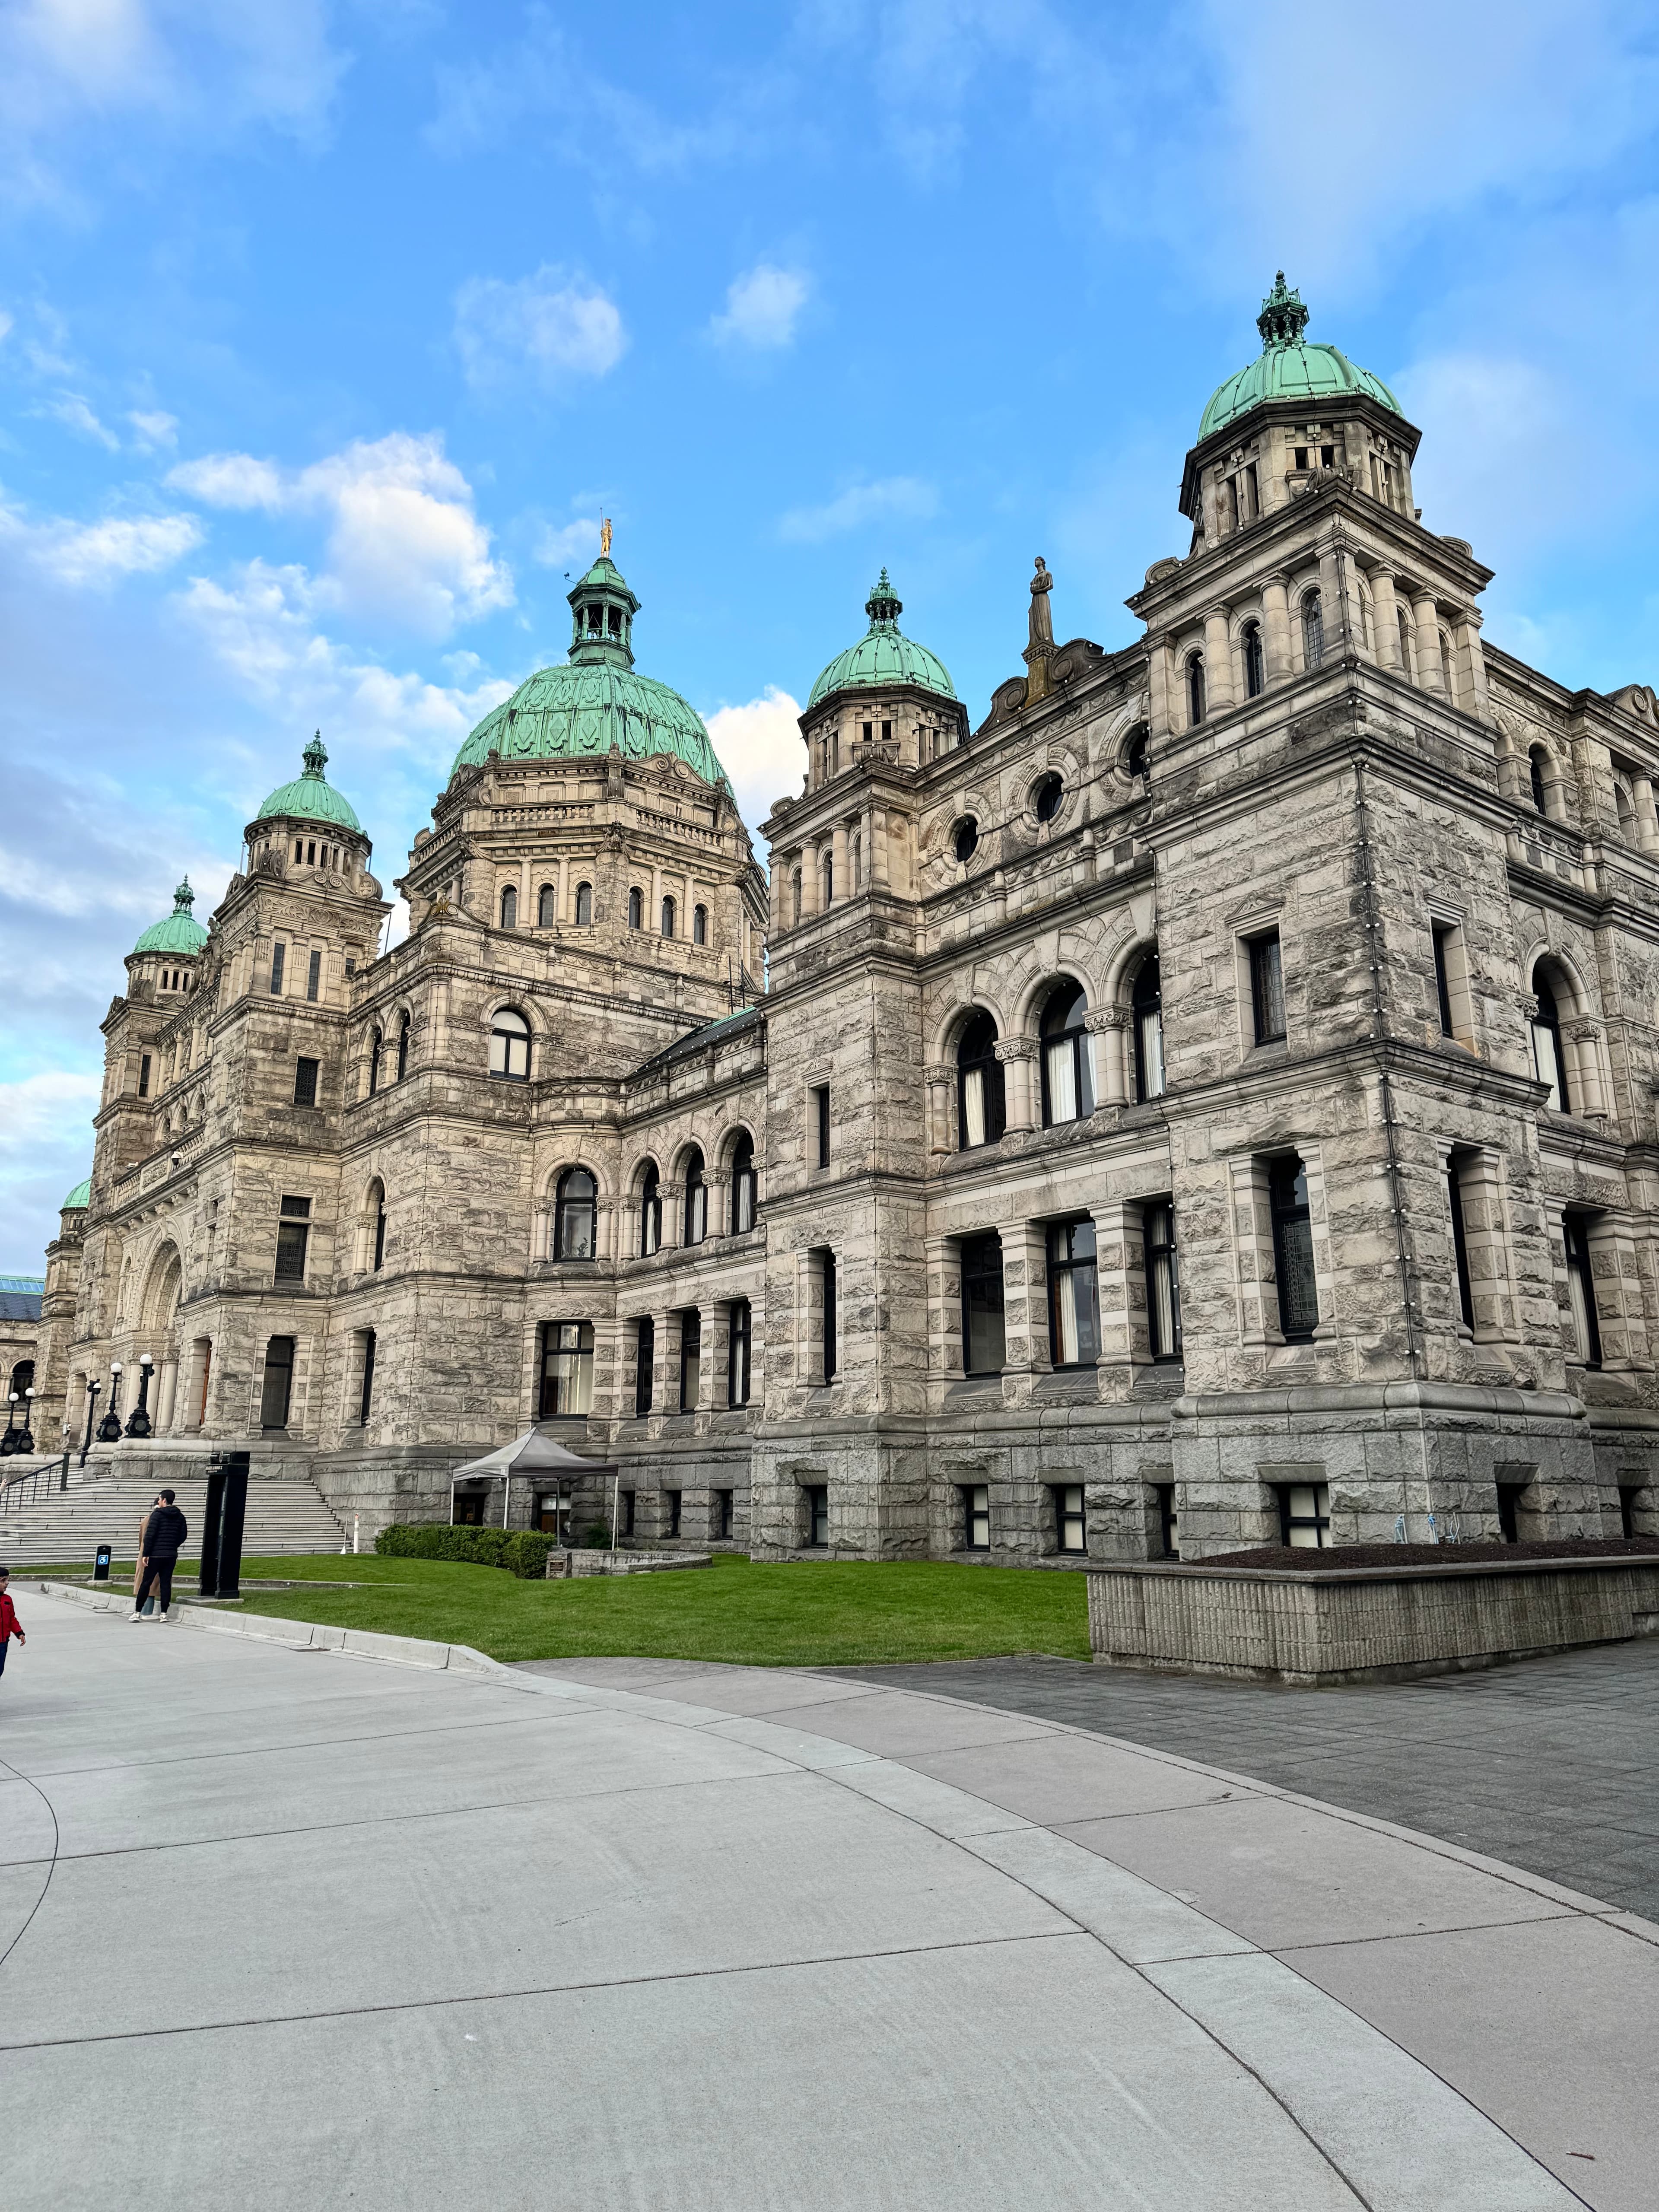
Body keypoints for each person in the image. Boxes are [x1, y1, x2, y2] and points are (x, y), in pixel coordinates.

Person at [130, 1489, 188, 1622]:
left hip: (155, 1555)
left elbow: (150, 1536)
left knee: (146, 1583)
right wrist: (172, 1546)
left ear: (164, 1500)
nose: (159, 1501)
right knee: (166, 1584)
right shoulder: (180, 1516)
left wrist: (146, 1554)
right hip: (171, 1555)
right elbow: (183, 1535)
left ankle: (138, 1612)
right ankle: (164, 1614)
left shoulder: (157, 1515)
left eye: (160, 1499)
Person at [0, 1567, 23, 1678]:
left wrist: (19, 1632)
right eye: (3, 1580)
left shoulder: (8, 1599)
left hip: (3, 1643)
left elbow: (12, 1618)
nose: (7, 1583)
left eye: (8, 1580)